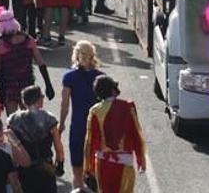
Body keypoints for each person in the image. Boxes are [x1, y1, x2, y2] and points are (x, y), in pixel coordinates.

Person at [83, 75, 146, 193]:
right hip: (124, 162)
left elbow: (90, 141)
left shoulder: (95, 111)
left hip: (103, 163)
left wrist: (88, 166)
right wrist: (140, 159)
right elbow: (135, 134)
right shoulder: (128, 107)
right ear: (112, 90)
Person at [60, 40, 104, 191]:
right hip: (96, 126)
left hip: (78, 125)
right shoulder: (100, 77)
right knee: (96, 169)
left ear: (76, 55)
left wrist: (61, 124)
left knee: (77, 173)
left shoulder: (69, 77)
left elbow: (64, 105)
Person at [8, 85, 63, 192]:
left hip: (24, 166)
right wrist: (60, 163)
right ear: (38, 100)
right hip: (46, 165)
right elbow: (58, 145)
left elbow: (11, 145)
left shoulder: (13, 120)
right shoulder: (49, 119)